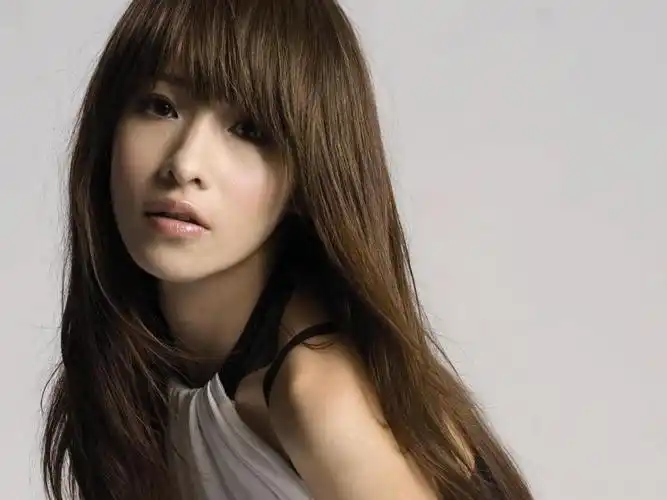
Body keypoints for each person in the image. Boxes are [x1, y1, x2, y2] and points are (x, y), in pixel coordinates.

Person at [41, 1, 534, 499]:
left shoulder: (319, 396)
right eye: (161, 106)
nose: (185, 164)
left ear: (306, 178)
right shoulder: (132, 363)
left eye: (248, 130)